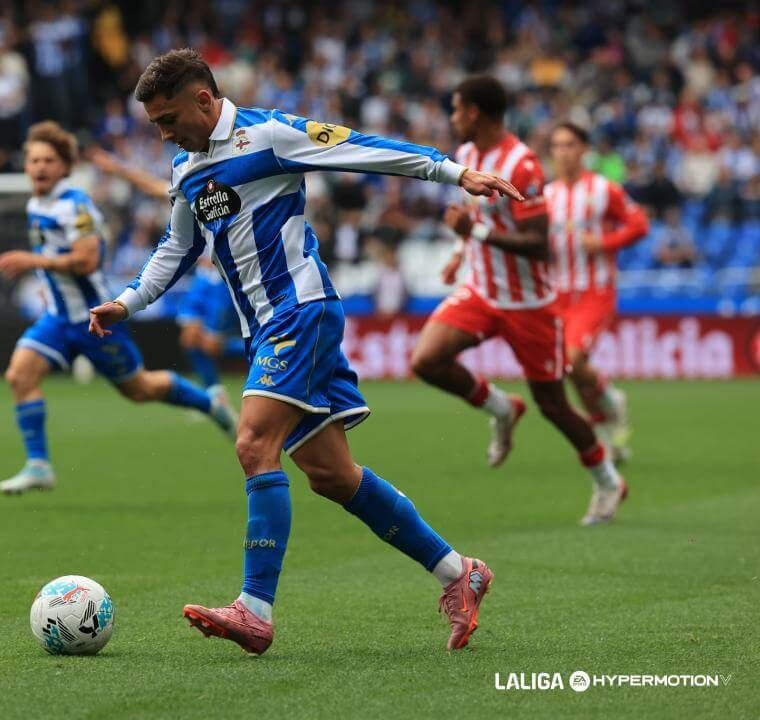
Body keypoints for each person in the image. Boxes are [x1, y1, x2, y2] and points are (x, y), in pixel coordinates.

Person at [89, 49, 521, 655]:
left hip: (301, 311)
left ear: (205, 101)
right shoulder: (186, 170)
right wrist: (126, 302)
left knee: (252, 444)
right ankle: (460, 573)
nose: (161, 133)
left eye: (167, 119)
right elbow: (176, 248)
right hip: (264, 328)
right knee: (331, 475)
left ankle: (254, 610)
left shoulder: (269, 135)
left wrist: (453, 173)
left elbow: (361, 147)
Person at [410, 75, 627, 527]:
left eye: (456, 110)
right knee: (426, 360)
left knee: (554, 405)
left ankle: (609, 481)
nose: (452, 119)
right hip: (482, 291)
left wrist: (477, 235)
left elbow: (538, 243)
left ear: (474, 112)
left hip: (529, 305)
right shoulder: (469, 157)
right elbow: (473, 217)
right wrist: (458, 253)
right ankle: (501, 408)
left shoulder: (523, 164)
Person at [0, 121, 237, 495]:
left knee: (139, 389)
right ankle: (39, 465)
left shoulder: (76, 206)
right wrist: (47, 284)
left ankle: (210, 404)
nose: (39, 167)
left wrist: (35, 263)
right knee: (19, 376)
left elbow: (87, 260)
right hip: (58, 318)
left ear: (65, 166)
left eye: (48, 160)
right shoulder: (35, 204)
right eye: (34, 160)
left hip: (96, 318)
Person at [90, 147, 238, 393]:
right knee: (189, 338)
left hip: (223, 279)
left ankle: (278, 345)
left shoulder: (234, 187)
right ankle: (215, 394)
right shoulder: (190, 185)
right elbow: (153, 186)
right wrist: (117, 169)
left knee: (212, 345)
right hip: (202, 277)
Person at [546, 122, 649, 461]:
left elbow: (639, 224)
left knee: (572, 360)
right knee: (568, 368)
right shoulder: (548, 196)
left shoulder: (604, 190)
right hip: (558, 294)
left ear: (583, 150)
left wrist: (604, 242)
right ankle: (606, 427)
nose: (563, 152)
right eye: (557, 146)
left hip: (594, 291)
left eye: (569, 145)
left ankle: (610, 402)